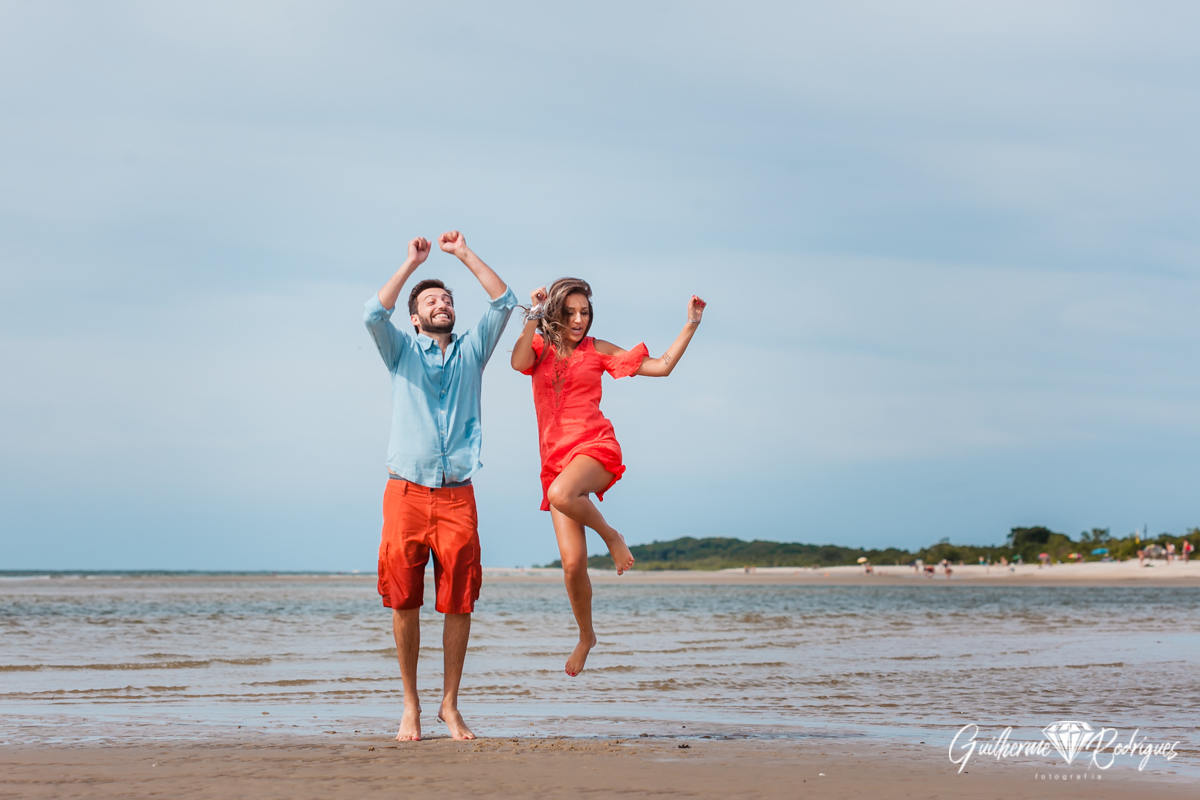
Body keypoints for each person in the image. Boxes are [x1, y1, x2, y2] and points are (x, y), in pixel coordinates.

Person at [363, 231, 517, 741]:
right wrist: (412, 264)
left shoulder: (473, 352)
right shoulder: (401, 353)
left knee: (459, 600)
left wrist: (462, 254)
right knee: (404, 600)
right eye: (431, 301)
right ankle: (410, 705)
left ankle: (449, 705)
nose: (442, 304)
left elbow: (505, 301)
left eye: (447, 299)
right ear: (416, 317)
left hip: (458, 496)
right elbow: (371, 314)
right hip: (404, 493)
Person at [510, 278, 706, 676]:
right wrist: (532, 316)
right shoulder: (539, 347)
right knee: (572, 565)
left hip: (594, 448)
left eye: (585, 312)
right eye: (570, 312)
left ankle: (612, 536)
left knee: (563, 493)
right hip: (554, 459)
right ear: (554, 313)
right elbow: (517, 362)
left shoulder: (597, 350)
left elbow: (662, 367)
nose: (579, 320)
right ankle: (586, 636)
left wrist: (691, 324)